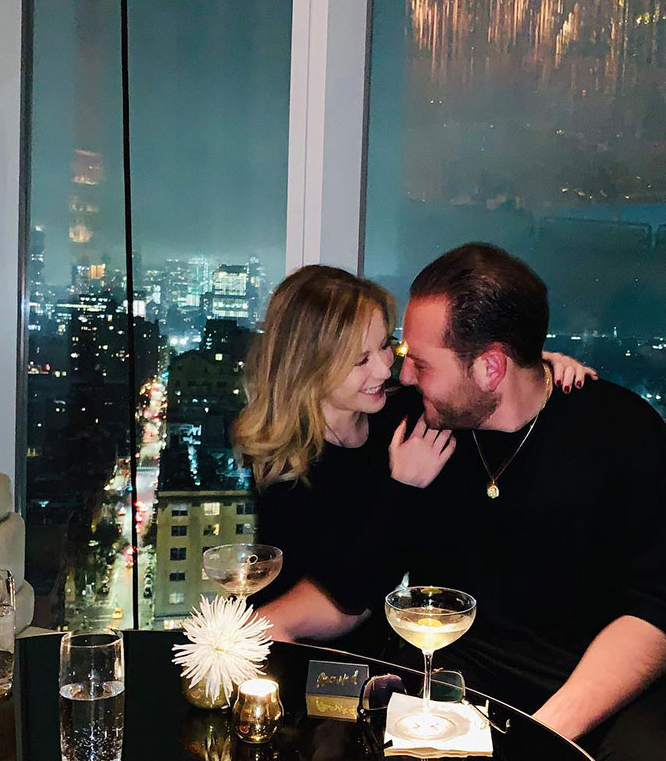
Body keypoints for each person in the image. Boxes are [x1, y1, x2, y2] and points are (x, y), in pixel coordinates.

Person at [258, 244, 666, 761]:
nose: (401, 375)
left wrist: (546, 731)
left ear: (491, 366)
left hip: (591, 683)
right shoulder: (418, 427)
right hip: (446, 671)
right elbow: (355, 573)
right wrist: (250, 630)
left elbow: (656, 607)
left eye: (420, 362)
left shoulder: (622, 433)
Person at [234, 264, 592, 633]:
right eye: (360, 360)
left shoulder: (402, 412)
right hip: (291, 642)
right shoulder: (284, 462)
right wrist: (403, 486)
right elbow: (351, 591)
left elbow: (476, 399)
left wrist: (531, 367)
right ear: (308, 366)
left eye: (384, 345)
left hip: (401, 638)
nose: (384, 368)